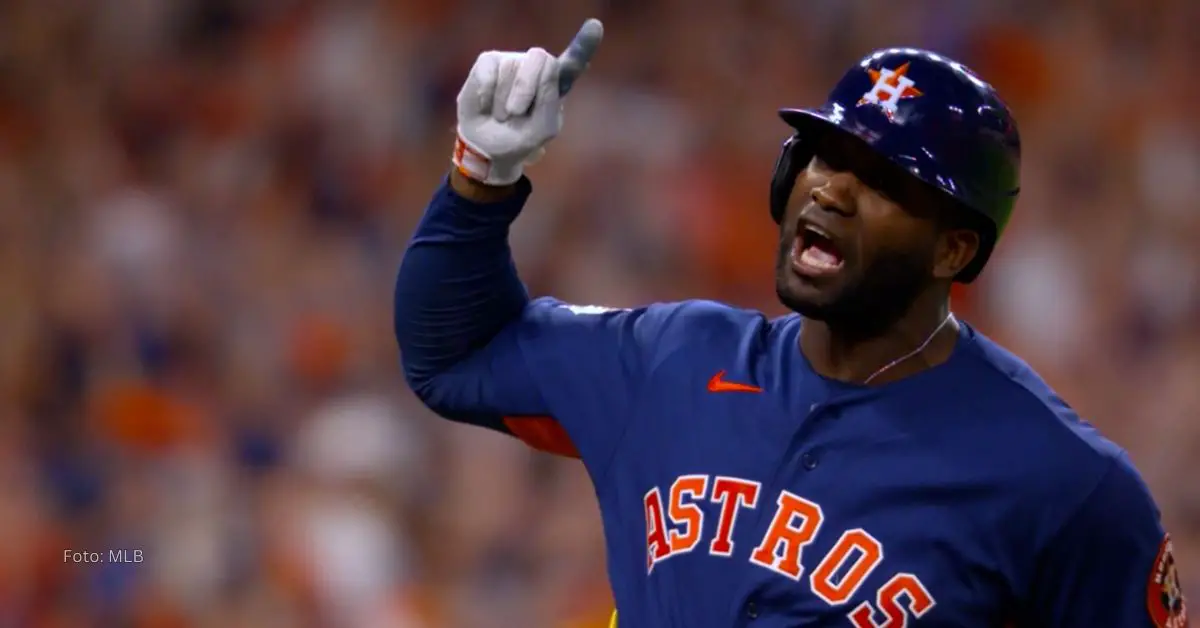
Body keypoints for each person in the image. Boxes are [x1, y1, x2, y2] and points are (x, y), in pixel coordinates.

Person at [393, 19, 1190, 627]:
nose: (831, 190)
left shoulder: (1065, 482)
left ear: (953, 248)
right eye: (823, 153)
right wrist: (481, 180)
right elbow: (456, 354)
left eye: (881, 180)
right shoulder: (671, 360)